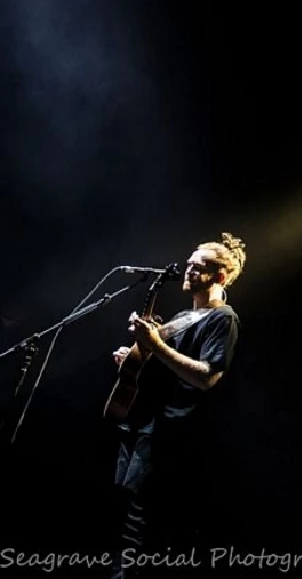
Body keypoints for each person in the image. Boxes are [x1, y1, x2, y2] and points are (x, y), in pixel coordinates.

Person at [108, 232, 245, 578]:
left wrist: (156, 345)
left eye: (196, 267)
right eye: (188, 264)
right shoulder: (184, 317)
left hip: (166, 435)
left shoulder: (223, 318)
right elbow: (160, 364)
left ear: (218, 277)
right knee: (118, 516)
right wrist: (134, 357)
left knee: (139, 528)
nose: (186, 270)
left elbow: (207, 376)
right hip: (139, 425)